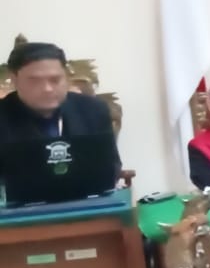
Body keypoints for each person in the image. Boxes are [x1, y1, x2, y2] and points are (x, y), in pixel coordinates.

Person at [0, 41, 120, 171]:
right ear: (15, 80)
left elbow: (110, 166)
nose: (47, 89)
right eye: (35, 81)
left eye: (55, 80)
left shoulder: (93, 110)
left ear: (66, 77)